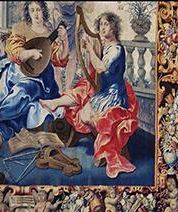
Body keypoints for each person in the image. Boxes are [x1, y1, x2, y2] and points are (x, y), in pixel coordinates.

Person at [39, 11, 139, 178]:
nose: (102, 28)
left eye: (106, 24)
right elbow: (94, 68)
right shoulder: (106, 47)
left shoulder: (117, 49)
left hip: (114, 94)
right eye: (101, 25)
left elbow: (100, 68)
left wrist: (91, 50)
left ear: (114, 27)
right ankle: (104, 142)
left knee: (89, 116)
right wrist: (88, 49)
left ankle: (107, 146)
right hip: (103, 92)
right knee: (84, 115)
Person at [0, 1, 69, 144]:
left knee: (21, 92)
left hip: (38, 78)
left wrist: (64, 41)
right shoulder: (21, 28)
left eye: (38, 10)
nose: (36, 14)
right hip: (15, 71)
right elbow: (13, 50)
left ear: (43, 11)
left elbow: (60, 60)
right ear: (28, 12)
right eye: (32, 10)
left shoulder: (49, 33)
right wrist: (29, 53)